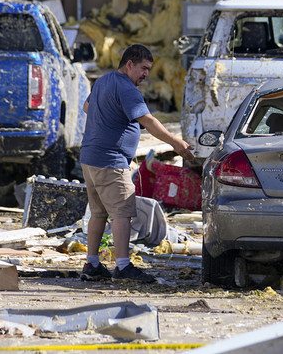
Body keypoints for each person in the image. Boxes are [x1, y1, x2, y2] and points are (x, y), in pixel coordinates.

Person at [78, 44, 195, 282]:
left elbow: (87, 107)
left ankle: (91, 265)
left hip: (90, 158)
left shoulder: (103, 81)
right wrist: (177, 144)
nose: (145, 75)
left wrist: (109, 119)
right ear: (129, 64)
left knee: (98, 214)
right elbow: (148, 120)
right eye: (143, 68)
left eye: (149, 70)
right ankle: (122, 266)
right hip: (110, 161)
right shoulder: (126, 88)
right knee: (122, 213)